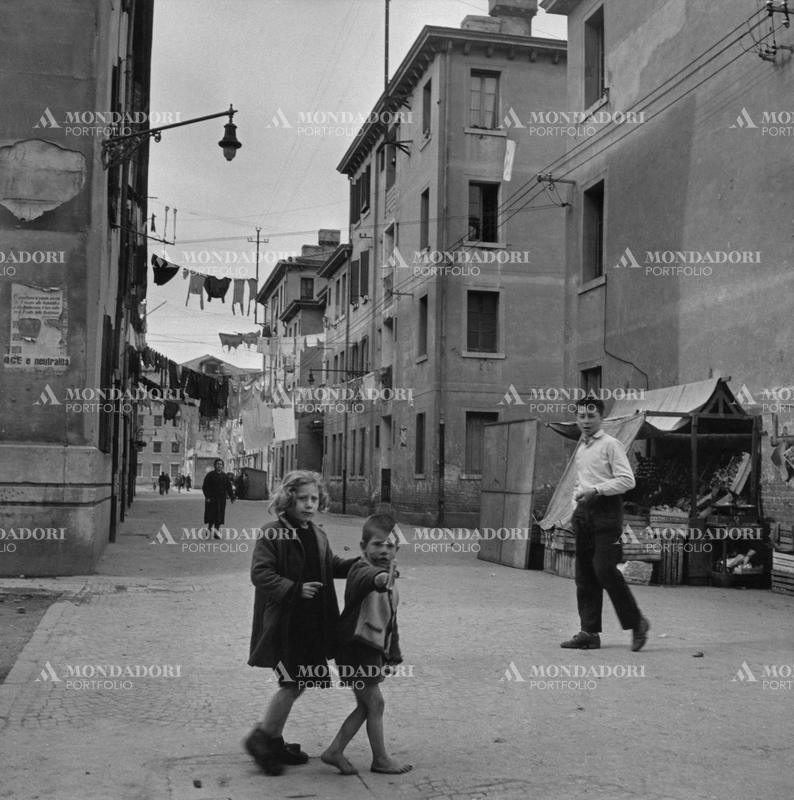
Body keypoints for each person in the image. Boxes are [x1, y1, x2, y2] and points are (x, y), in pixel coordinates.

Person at [244, 470, 356, 776]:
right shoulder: (272, 532)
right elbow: (261, 574)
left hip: (312, 623)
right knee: (291, 683)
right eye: (302, 498)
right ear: (288, 499)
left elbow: (329, 564)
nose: (309, 504)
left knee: (298, 681)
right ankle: (262, 740)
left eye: (314, 499)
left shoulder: (317, 533)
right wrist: (294, 589)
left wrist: (359, 565)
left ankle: (274, 739)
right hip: (285, 624)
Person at [321, 513, 412, 776]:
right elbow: (367, 579)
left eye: (390, 546)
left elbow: (390, 620)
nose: (384, 550)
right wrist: (381, 579)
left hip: (369, 650)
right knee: (375, 704)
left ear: (397, 549)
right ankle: (380, 759)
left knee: (368, 705)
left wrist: (392, 655)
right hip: (356, 649)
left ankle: (335, 750)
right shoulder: (362, 570)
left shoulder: (389, 575)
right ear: (363, 547)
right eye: (377, 544)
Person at [560, 399, 650, 652]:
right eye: (581, 417)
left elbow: (627, 480)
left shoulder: (611, 445)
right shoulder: (582, 447)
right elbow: (579, 483)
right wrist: (573, 510)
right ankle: (589, 632)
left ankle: (637, 623)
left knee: (605, 570)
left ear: (601, 418)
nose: (585, 422)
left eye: (591, 416)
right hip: (584, 514)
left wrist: (597, 491)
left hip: (607, 514)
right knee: (584, 575)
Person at [202, 458, 235, 539]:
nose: (219, 466)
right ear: (215, 465)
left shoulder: (225, 476)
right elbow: (205, 487)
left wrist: (232, 497)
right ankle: (209, 530)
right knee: (211, 515)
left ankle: (216, 533)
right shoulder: (210, 475)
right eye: (217, 464)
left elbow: (229, 487)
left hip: (221, 499)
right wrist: (207, 496)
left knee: (219, 516)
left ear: (222, 466)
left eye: (220, 464)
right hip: (212, 499)